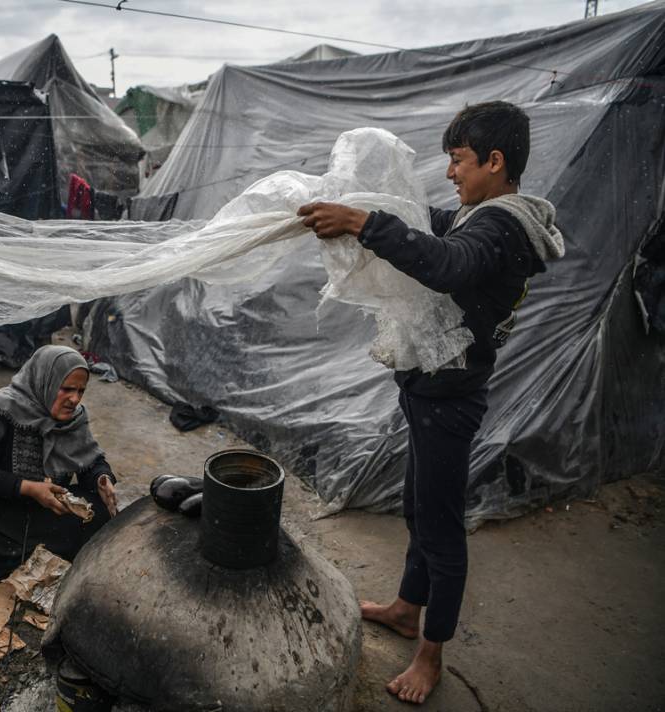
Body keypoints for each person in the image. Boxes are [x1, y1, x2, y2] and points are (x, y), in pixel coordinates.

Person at [298, 101, 564, 705]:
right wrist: (364, 208)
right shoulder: (485, 214)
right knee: (420, 509)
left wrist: (366, 223)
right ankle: (403, 609)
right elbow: (433, 223)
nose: (450, 172)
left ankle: (430, 654)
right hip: (433, 391)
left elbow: (446, 264)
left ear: (495, 162)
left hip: (450, 401)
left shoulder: (499, 227)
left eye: (458, 160)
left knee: (441, 529)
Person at [0, 346, 118, 584]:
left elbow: (90, 461)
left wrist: (102, 478)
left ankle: (14, 559)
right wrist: (27, 488)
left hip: (43, 512)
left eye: (81, 391)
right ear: (44, 380)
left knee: (100, 510)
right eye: (67, 389)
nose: (75, 399)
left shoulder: (74, 418)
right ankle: (36, 557)